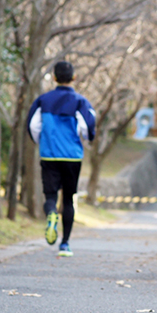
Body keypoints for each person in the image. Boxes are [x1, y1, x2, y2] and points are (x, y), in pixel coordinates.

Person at [26, 61, 96, 257]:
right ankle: (65, 244)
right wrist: (86, 138)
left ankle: (50, 215)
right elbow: (87, 126)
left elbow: (33, 126)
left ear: (54, 78)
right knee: (68, 200)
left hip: (49, 154)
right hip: (72, 157)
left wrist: (43, 141)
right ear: (73, 78)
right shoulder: (80, 102)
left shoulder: (42, 101)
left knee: (50, 196)